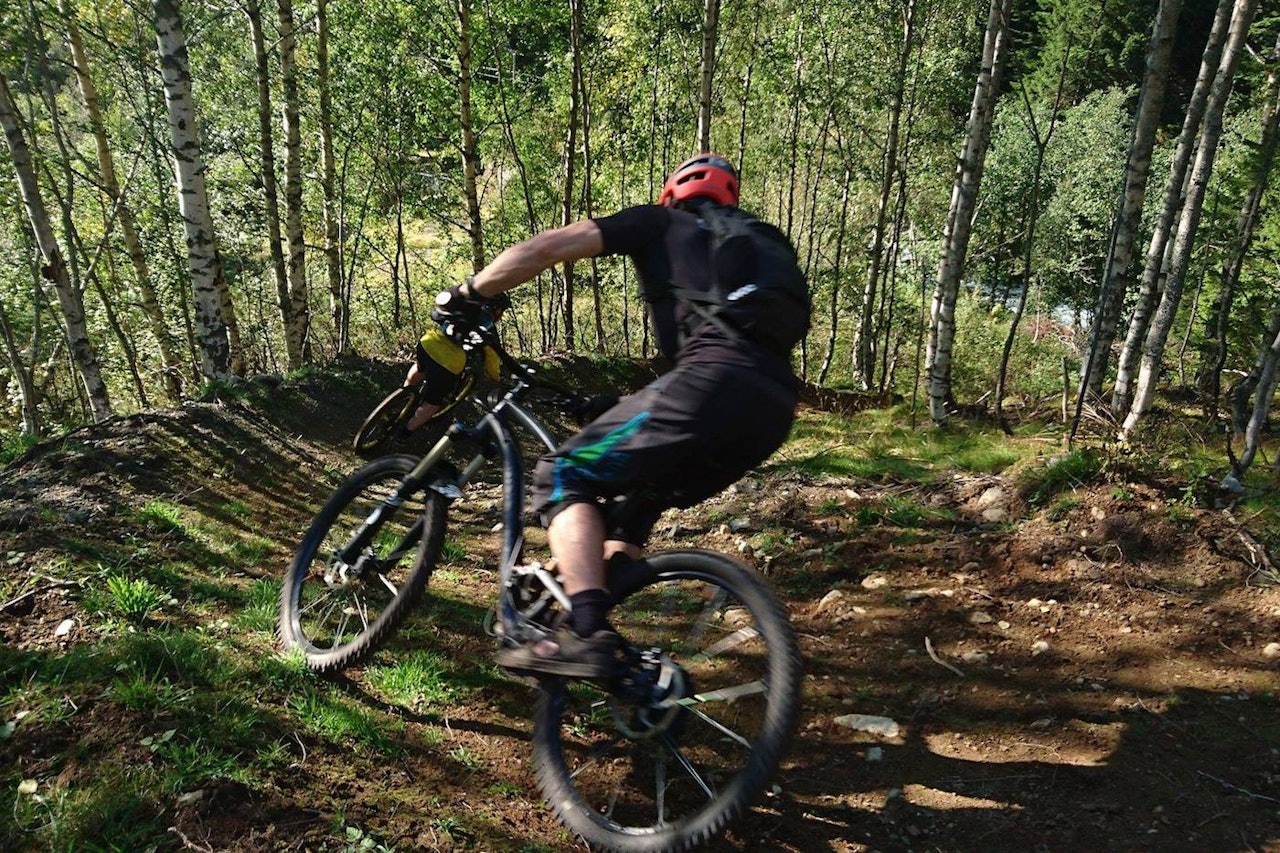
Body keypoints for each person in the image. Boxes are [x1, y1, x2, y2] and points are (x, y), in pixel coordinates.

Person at [434, 153, 808, 680]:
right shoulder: (766, 244)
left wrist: (470, 292)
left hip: (707, 384)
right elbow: (725, 351)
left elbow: (546, 248)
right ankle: (622, 662)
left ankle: (587, 633)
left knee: (562, 472)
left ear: (671, 194)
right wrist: (616, 407)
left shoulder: (659, 222)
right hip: (770, 407)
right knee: (636, 502)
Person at [400, 292, 510, 437]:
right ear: (496, 310)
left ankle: (402, 397)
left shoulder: (464, 306)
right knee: (434, 402)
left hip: (427, 344)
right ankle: (405, 432)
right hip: (447, 365)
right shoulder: (488, 326)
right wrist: (495, 377)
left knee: (421, 366)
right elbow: (492, 357)